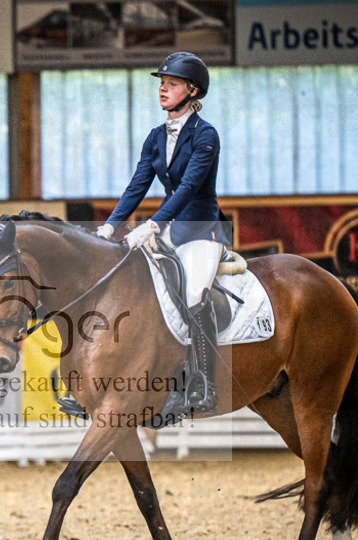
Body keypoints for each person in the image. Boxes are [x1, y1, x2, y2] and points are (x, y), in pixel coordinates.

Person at [97, 51, 227, 414]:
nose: (162, 89)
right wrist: (112, 224)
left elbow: (188, 188)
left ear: (192, 90)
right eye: (161, 84)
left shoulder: (206, 135)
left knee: (194, 293)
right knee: (135, 288)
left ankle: (203, 383)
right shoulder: (156, 137)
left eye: (171, 84)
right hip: (169, 228)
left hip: (201, 230)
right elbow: (137, 185)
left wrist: (153, 224)